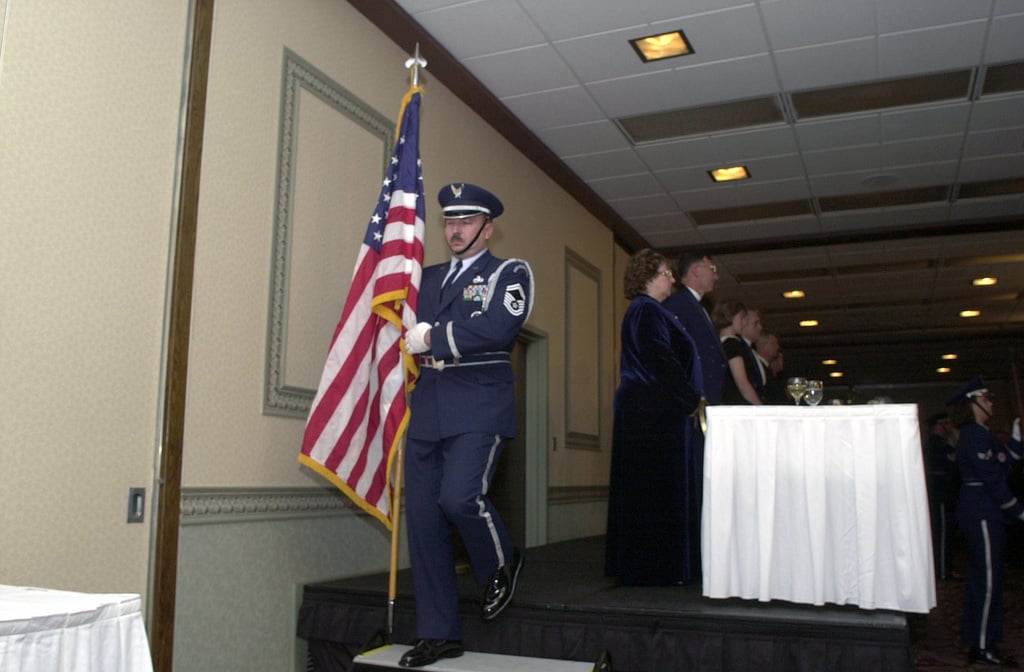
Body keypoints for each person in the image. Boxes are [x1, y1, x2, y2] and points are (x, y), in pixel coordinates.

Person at [401, 183, 534, 668]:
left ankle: (501, 561)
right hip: (430, 404)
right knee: (423, 521)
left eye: (466, 221)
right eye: (449, 222)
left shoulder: (510, 272)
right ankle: (439, 633)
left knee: (459, 497)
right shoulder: (427, 278)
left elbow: (499, 327)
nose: (455, 230)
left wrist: (434, 336)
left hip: (479, 401)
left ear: (487, 226)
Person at [605, 249, 703, 586]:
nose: (672, 279)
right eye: (666, 273)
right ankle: (658, 567)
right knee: (656, 492)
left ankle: (651, 565)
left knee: (648, 491)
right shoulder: (646, 311)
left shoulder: (647, 311)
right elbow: (662, 361)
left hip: (650, 412)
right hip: (653, 415)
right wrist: (691, 398)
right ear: (648, 276)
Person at [951, 377, 1023, 667]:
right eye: (986, 398)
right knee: (988, 582)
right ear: (974, 402)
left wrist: (1017, 436)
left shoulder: (984, 434)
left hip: (988, 512)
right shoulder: (974, 436)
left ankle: (984, 640)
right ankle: (981, 645)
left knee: (989, 579)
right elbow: (992, 478)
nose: (991, 402)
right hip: (981, 511)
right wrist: (1018, 510)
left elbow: (1006, 461)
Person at [662, 253, 728, 405]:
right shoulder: (679, 305)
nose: (716, 276)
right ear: (696, 271)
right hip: (695, 398)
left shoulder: (697, 305)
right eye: (712, 269)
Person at [923, 411, 960, 581]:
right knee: (942, 534)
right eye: (945, 424)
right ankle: (943, 571)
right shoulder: (936, 444)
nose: (949, 428)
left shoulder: (939, 443)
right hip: (940, 494)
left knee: (946, 533)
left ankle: (945, 568)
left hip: (944, 493)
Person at [713, 301, 762, 405]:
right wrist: (760, 407)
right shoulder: (732, 344)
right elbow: (743, 383)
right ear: (732, 317)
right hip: (738, 404)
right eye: (742, 318)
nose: (744, 323)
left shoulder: (716, 344)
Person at [755, 332, 788, 404]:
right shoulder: (757, 368)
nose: (777, 347)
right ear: (766, 346)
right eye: (774, 344)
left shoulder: (766, 368)